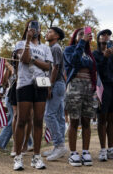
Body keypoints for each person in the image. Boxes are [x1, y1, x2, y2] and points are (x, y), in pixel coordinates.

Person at [13, 20, 53, 171]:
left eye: (36, 28)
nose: (34, 30)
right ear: (27, 29)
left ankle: (37, 156)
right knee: (22, 120)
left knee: (38, 120)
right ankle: (18, 157)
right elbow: (23, 58)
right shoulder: (20, 43)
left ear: (40, 30)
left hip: (41, 84)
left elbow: (47, 66)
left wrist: (32, 59)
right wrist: (28, 41)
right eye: (31, 28)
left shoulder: (45, 48)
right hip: (24, 84)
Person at [63, 27, 97, 167]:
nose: (84, 36)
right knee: (74, 121)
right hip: (75, 85)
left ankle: (85, 151)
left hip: (88, 87)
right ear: (75, 36)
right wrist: (82, 43)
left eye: (86, 34)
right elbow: (74, 61)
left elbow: (93, 70)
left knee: (87, 121)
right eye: (80, 34)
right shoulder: (69, 50)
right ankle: (73, 153)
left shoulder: (89, 54)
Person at [93, 29, 113, 162]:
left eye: (108, 35)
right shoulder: (94, 54)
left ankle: (111, 149)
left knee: (112, 119)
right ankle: (102, 150)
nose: (106, 37)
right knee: (102, 119)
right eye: (103, 35)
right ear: (99, 39)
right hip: (102, 88)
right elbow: (96, 70)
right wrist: (105, 57)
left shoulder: (112, 54)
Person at [42, 27, 68, 161]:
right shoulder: (51, 48)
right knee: (58, 116)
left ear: (57, 36)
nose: (47, 34)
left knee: (49, 114)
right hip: (58, 84)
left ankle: (59, 145)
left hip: (56, 84)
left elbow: (56, 68)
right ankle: (58, 146)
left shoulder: (55, 48)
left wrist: (49, 86)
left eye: (50, 32)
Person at [0, 59, 15, 151]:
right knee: (14, 120)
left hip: (10, 96)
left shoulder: (11, 69)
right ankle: (0, 143)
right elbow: (4, 82)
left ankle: (0, 143)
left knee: (14, 119)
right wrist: (9, 67)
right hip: (12, 96)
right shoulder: (12, 69)